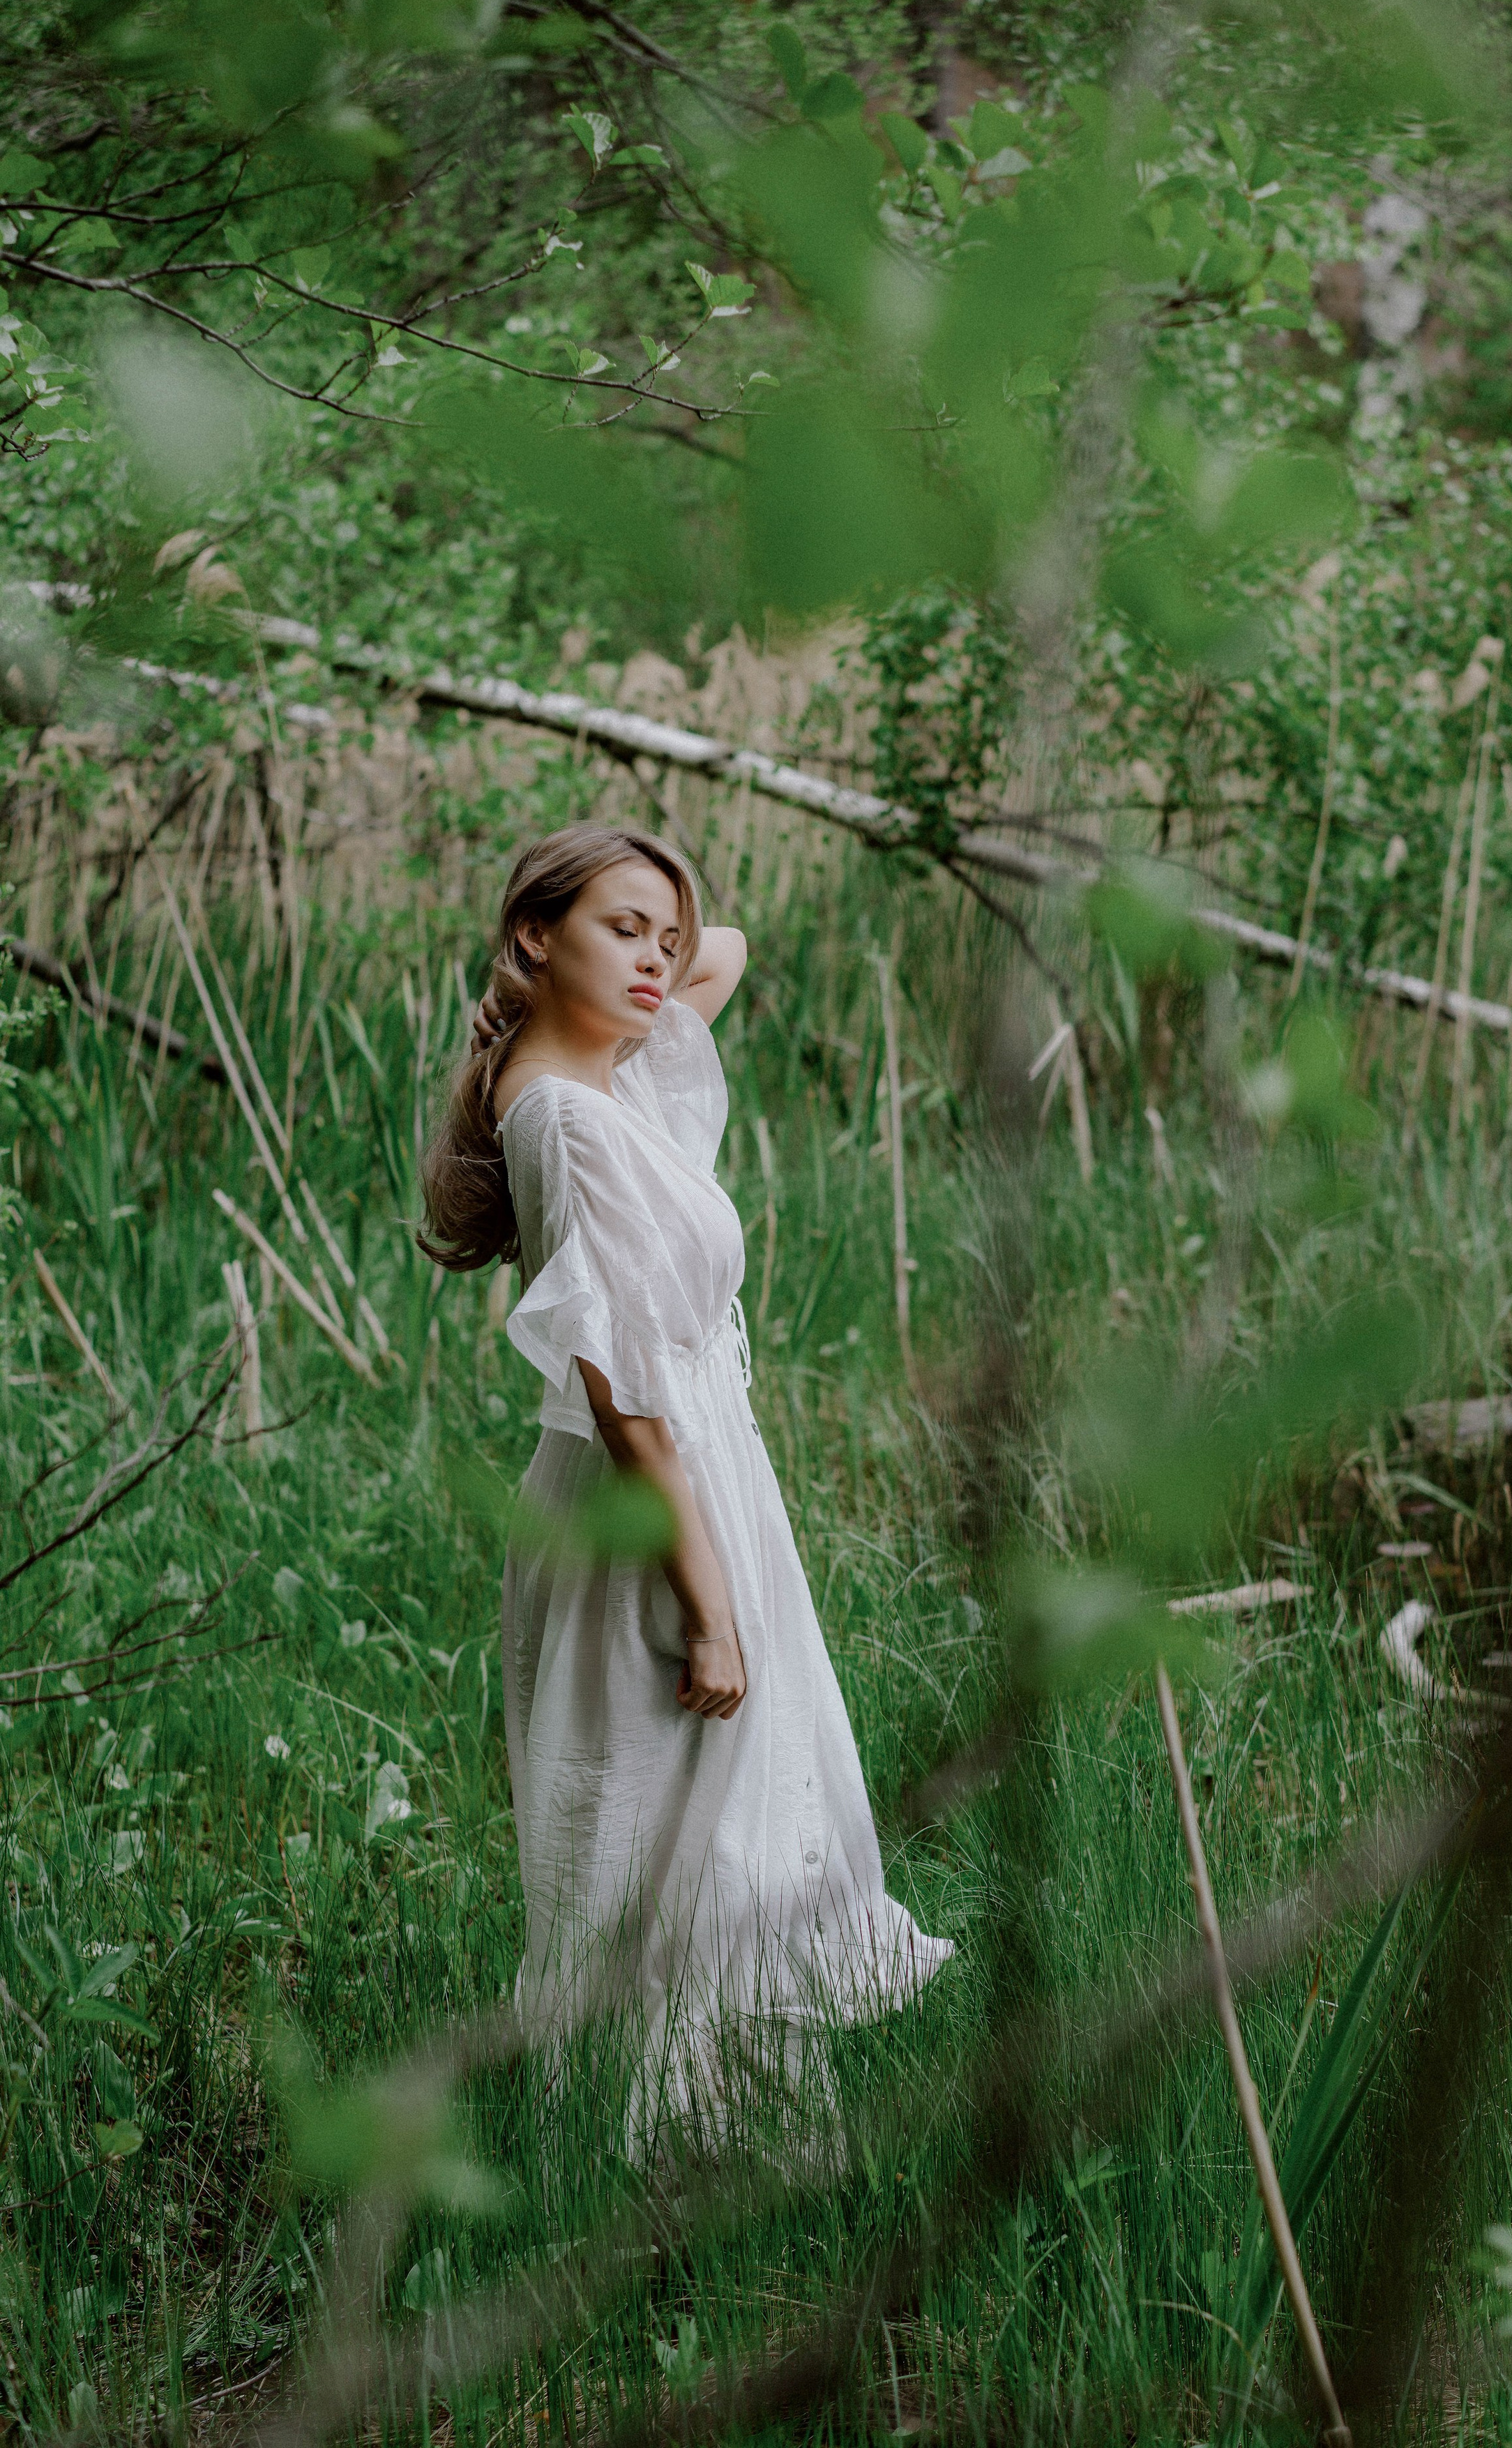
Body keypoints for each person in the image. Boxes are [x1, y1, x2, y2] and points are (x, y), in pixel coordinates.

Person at [421, 822, 951, 2154]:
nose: (662, 960)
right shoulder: (565, 1115)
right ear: (534, 932)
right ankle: (660, 2141)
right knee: (676, 1806)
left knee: (716, 1809)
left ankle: (709, 2121)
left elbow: (727, 947)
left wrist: (624, 950)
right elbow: (624, 1394)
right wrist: (707, 1600)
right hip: (650, 1502)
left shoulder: (606, 1064)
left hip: (698, 1481)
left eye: (663, 934)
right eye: (620, 930)